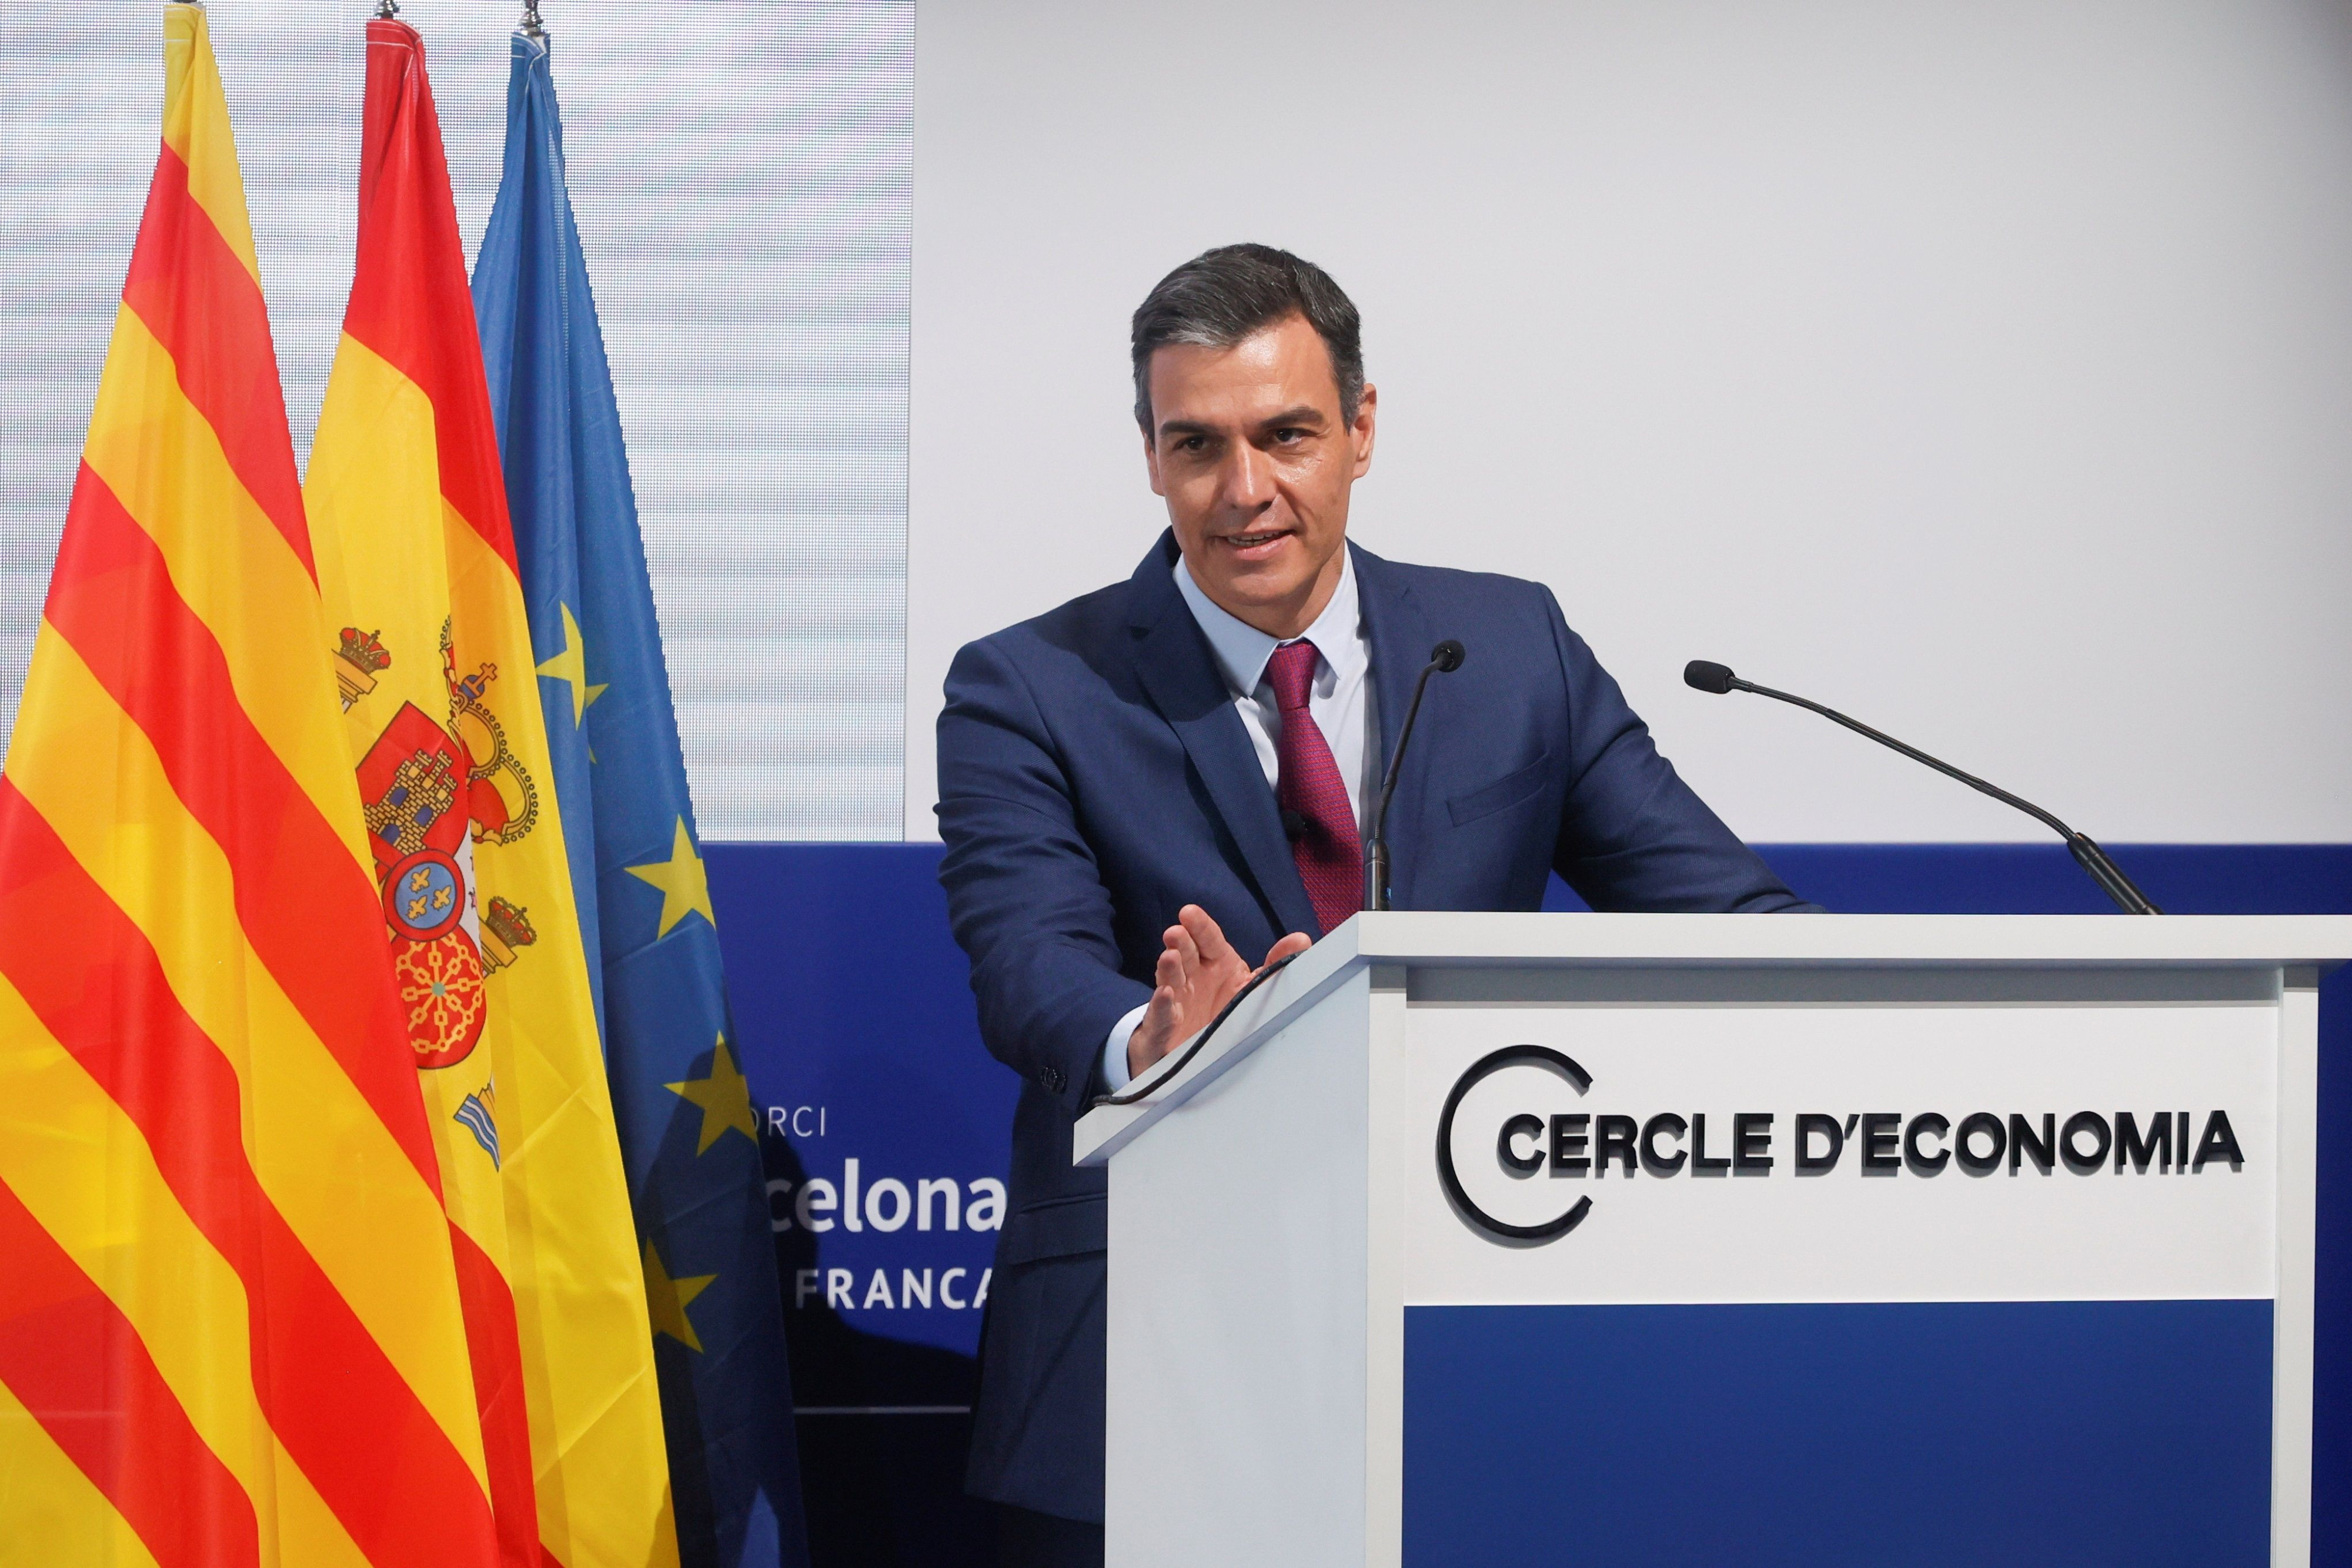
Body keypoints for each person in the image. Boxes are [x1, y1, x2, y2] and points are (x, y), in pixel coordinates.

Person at [936, 243, 1812, 1565]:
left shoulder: (1511, 649)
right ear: (1148, 452)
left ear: (1359, 427)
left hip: (1485, 1330)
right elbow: (1028, 966)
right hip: (1149, 1352)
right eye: (1196, 446)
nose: (1244, 492)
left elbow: (1726, 915)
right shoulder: (1028, 686)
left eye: (1285, 434)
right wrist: (1155, 1043)